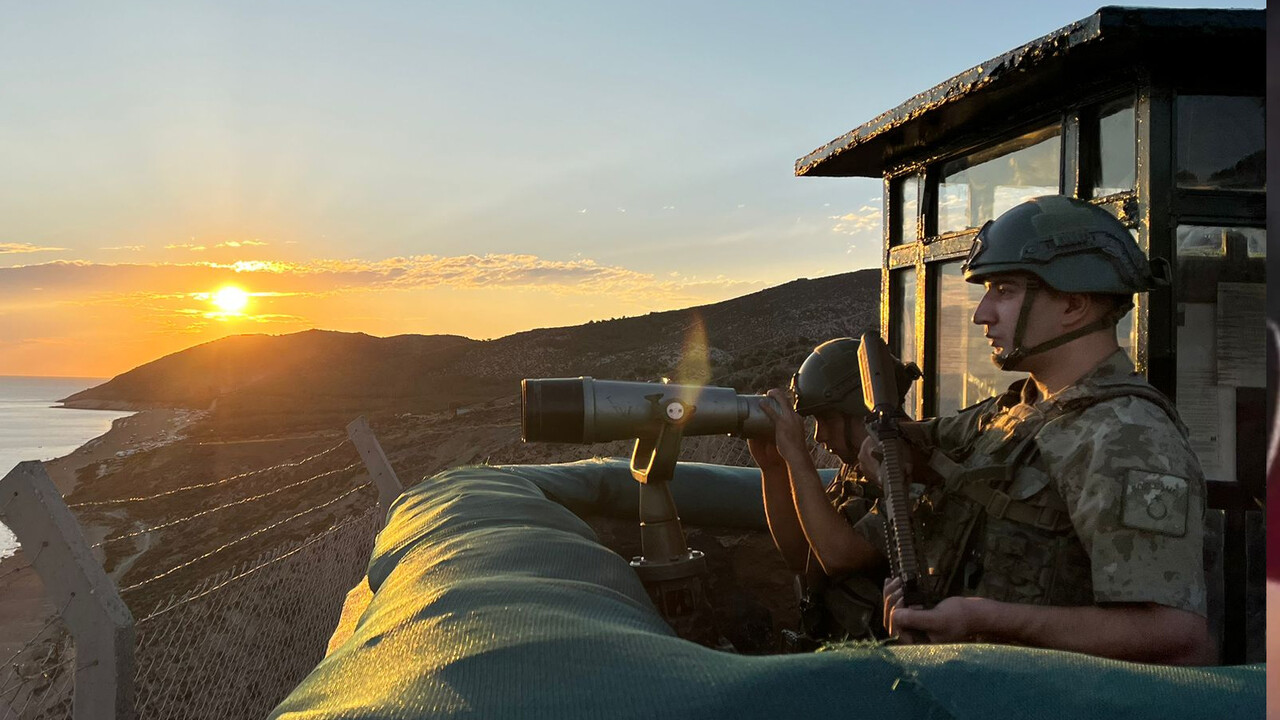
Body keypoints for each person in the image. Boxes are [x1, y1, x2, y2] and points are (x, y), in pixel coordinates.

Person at [867, 195, 1215, 666]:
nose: (981, 314)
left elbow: (1177, 636)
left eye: (1004, 291)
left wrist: (984, 620)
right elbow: (913, 445)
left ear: (1073, 305)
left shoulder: (1127, 437)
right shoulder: (1019, 408)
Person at [749, 337, 917, 644]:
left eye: (825, 419)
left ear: (860, 409)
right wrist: (774, 468)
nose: (818, 434)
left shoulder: (911, 468)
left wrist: (798, 457)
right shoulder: (857, 468)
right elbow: (802, 556)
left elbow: (839, 556)